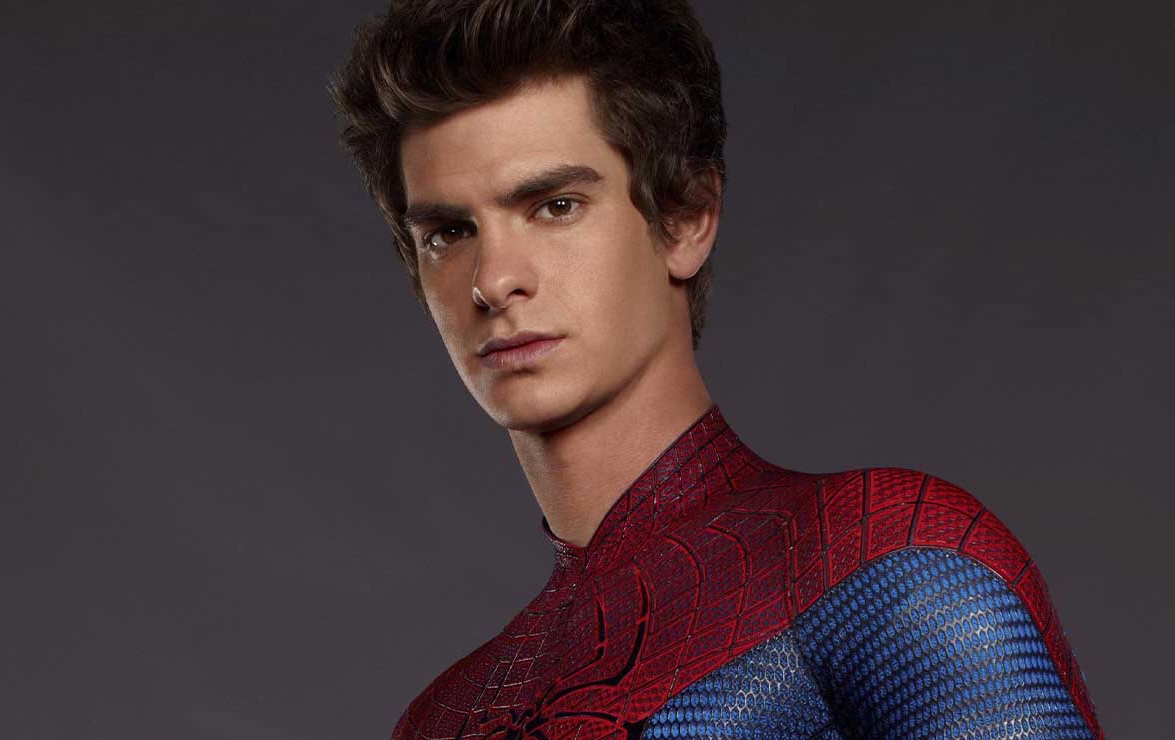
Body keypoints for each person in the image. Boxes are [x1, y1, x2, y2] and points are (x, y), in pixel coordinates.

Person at [329, 1, 1103, 738]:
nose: (494, 280)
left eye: (555, 205)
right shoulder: (443, 720)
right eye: (449, 232)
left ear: (686, 219)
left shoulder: (885, 558)